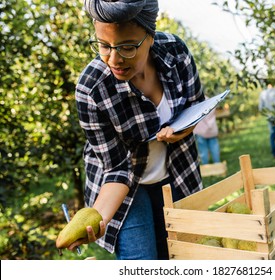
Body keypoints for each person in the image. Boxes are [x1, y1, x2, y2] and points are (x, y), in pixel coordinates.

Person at [69, 0, 205, 260]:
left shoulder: (176, 52)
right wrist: (98, 219)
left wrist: (182, 131)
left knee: (183, 256)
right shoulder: (92, 88)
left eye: (127, 47)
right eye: (103, 45)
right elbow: (116, 168)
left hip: (177, 171)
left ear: (150, 37)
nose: (114, 58)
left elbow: (197, 106)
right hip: (126, 187)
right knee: (141, 262)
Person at [259, 82, 275, 158]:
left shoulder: (263, 93)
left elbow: (260, 108)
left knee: (272, 134)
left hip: (269, 117)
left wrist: (267, 114)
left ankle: (274, 153)